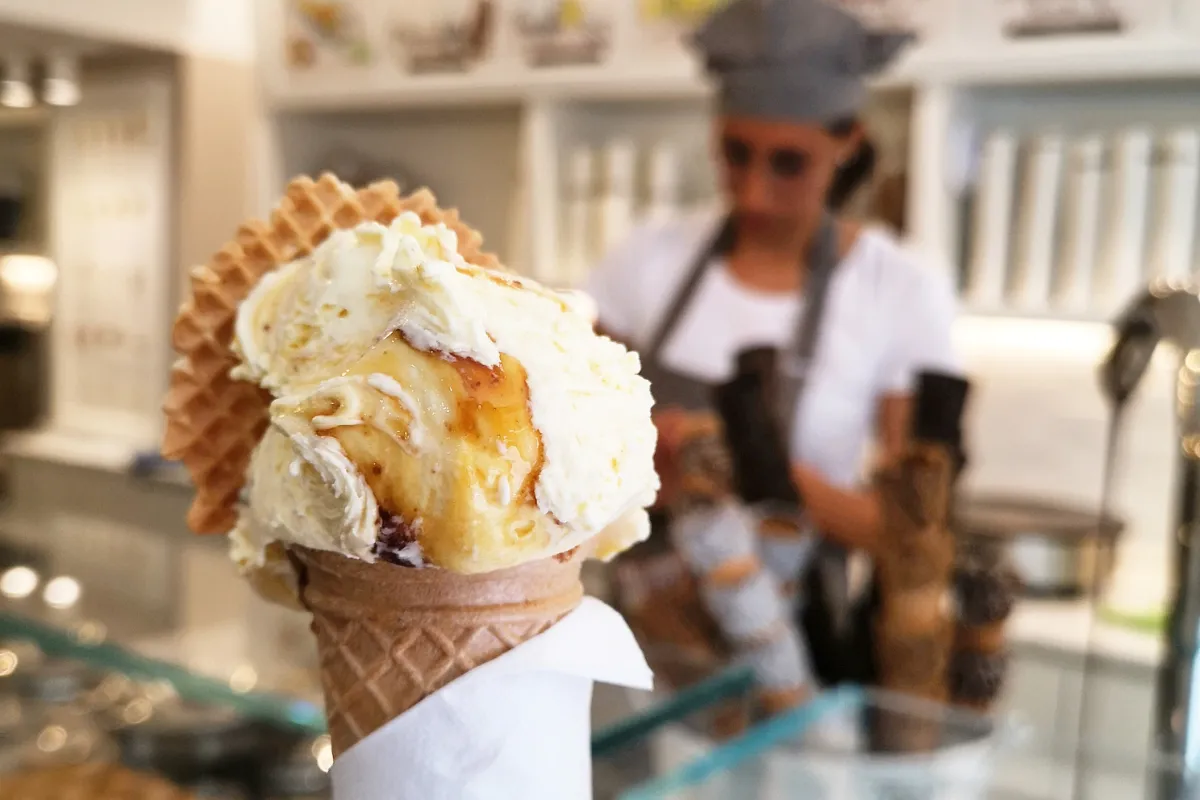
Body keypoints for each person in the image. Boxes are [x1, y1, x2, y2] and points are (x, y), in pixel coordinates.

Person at [591, 0, 961, 705]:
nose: (755, 190)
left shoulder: (899, 289)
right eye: (736, 153)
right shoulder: (646, 261)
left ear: (847, 140)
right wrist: (638, 461)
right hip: (633, 643)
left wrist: (743, 471)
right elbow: (559, 438)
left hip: (787, 661)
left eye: (788, 162)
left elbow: (906, 538)